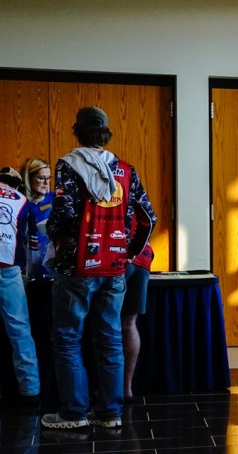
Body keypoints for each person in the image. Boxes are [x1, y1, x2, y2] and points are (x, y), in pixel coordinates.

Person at [42, 106, 156, 432]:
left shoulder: (68, 164)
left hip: (76, 267)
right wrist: (128, 252)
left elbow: (63, 213)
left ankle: (73, 413)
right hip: (115, 267)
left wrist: (54, 235)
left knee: (68, 338)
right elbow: (148, 217)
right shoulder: (125, 170)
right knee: (110, 338)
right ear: (106, 134)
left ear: (77, 132)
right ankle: (110, 413)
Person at [0, 167, 41, 408]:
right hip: (9, 271)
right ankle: (31, 393)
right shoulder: (22, 201)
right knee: (20, 332)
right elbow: (32, 245)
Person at [122, 241, 154, 401]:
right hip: (143, 254)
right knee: (129, 323)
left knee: (106, 325)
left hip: (119, 255)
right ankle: (126, 388)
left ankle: (108, 388)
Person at [20, 157, 55, 280]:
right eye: (41, 178)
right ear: (29, 178)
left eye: (49, 178)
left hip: (49, 265)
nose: (46, 182)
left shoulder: (55, 198)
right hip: (26, 265)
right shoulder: (20, 201)